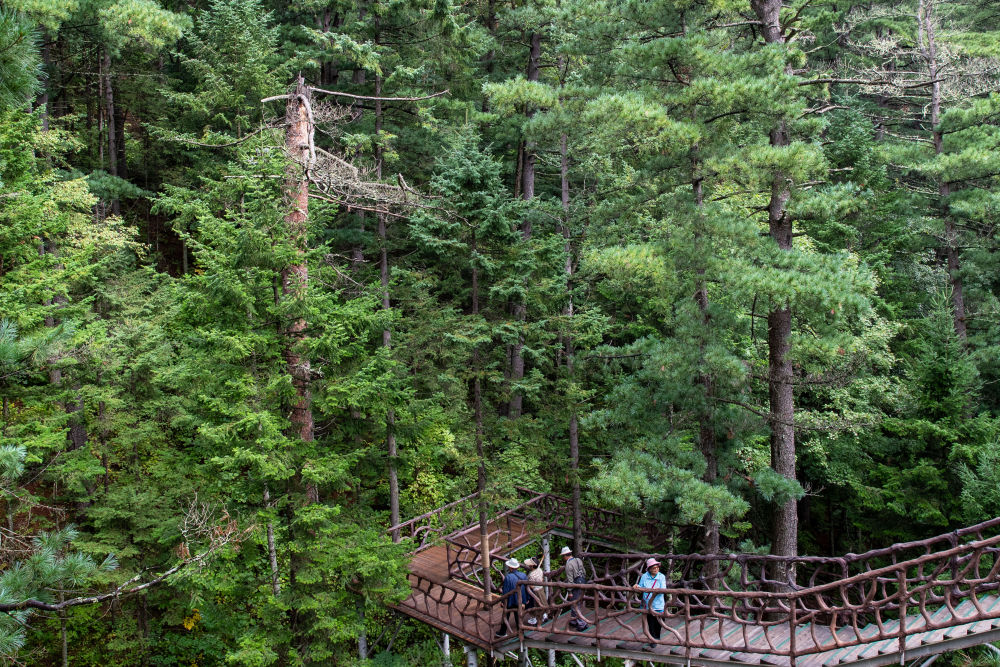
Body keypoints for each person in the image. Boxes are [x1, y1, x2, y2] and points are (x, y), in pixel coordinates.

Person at [634, 557, 666, 641]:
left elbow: (663, 589)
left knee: (659, 622)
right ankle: (652, 640)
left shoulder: (661, 576)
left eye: (657, 567)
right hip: (648, 604)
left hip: (658, 604)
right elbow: (640, 586)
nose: (656, 569)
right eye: (654, 568)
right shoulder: (644, 576)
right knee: (651, 623)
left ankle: (657, 637)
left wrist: (657, 590)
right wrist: (637, 586)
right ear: (649, 569)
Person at [560, 546, 589, 631]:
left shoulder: (568, 564)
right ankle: (574, 620)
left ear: (565, 555)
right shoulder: (578, 560)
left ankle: (582, 624)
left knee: (575, 604)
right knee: (576, 603)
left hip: (575, 584)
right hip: (582, 581)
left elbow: (570, 580)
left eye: (563, 556)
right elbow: (584, 572)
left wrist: (569, 591)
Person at [497, 557, 527, 638]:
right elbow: (526, 589)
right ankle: (520, 632)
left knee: (505, 615)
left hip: (510, 600)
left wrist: (503, 601)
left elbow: (505, 591)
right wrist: (525, 600)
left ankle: (502, 632)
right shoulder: (523, 575)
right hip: (520, 600)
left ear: (510, 567)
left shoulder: (508, 577)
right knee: (518, 616)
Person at [523, 558, 549, 625]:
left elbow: (531, 586)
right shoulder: (540, 570)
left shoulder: (531, 575)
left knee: (535, 605)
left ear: (532, 566)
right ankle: (544, 615)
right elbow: (542, 579)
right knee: (543, 602)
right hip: (541, 589)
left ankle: (534, 619)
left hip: (535, 591)